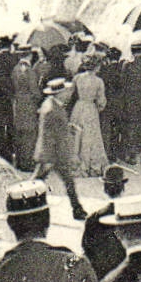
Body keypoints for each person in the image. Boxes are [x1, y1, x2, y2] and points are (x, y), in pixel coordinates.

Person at [33, 78, 87, 220]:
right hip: (53, 153)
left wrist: (68, 128)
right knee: (39, 182)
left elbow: (57, 128)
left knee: (40, 181)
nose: (68, 94)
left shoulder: (51, 104)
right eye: (65, 91)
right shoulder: (52, 109)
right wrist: (50, 157)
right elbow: (49, 135)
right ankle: (77, 210)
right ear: (59, 93)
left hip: (52, 153)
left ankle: (77, 209)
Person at [81, 163, 130, 280]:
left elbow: (86, 249)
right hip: (126, 277)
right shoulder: (132, 216)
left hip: (101, 276)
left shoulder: (93, 219)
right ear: (123, 188)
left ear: (105, 189)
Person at [69, 54, 109, 176]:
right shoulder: (98, 81)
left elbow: (70, 93)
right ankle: (91, 164)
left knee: (77, 135)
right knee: (90, 136)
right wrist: (99, 107)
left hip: (78, 107)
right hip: (90, 108)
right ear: (96, 67)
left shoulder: (77, 78)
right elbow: (101, 100)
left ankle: (76, 163)